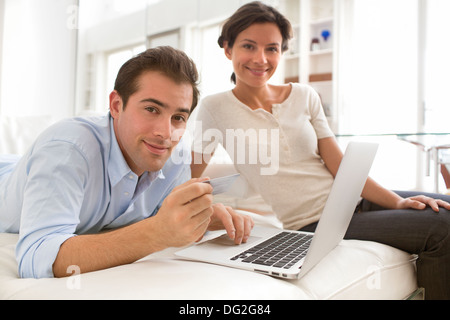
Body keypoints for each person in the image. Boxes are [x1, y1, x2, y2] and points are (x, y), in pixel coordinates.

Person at [191, 1, 450, 300]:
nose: (260, 59)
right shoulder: (214, 107)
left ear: (282, 52)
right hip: (314, 222)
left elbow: (339, 165)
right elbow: (191, 176)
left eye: (272, 48)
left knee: (443, 206)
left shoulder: (304, 95)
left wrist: (395, 202)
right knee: (442, 228)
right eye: (249, 46)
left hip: (354, 201)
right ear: (227, 48)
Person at [0, 46, 253, 279]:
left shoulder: (175, 156)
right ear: (116, 105)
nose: (165, 133)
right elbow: (36, 258)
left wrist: (199, 218)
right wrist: (156, 233)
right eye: (152, 109)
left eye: (178, 117)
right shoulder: (68, 150)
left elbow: (161, 215)